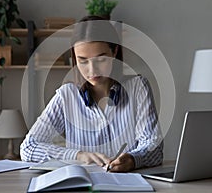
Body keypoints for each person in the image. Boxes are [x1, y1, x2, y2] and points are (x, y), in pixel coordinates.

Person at [20, 16, 163, 172]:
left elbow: (154, 149)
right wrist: (78, 155)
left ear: (114, 51)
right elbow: (28, 148)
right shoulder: (66, 96)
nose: (92, 70)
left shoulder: (138, 88)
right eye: (83, 61)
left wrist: (133, 159)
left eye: (101, 59)